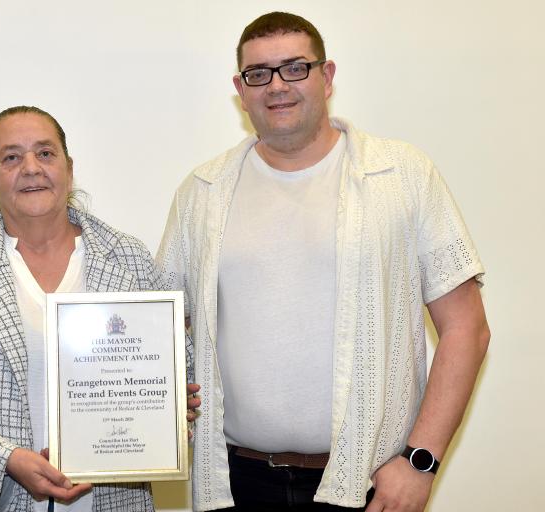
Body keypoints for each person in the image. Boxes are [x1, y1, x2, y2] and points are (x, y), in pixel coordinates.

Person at [156, 12, 490, 512]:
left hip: (371, 481)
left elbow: (467, 329)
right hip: (236, 480)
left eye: (295, 68)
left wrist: (421, 461)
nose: (277, 86)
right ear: (240, 89)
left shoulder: (402, 175)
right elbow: (163, 325)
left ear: (327, 76)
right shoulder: (201, 193)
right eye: (259, 73)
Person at [0, 105, 197, 511]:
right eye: (11, 157)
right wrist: (7, 460)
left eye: (45, 153)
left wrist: (176, 407)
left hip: (114, 501)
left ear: (69, 170)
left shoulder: (128, 259)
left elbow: (182, 371)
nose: (31, 168)